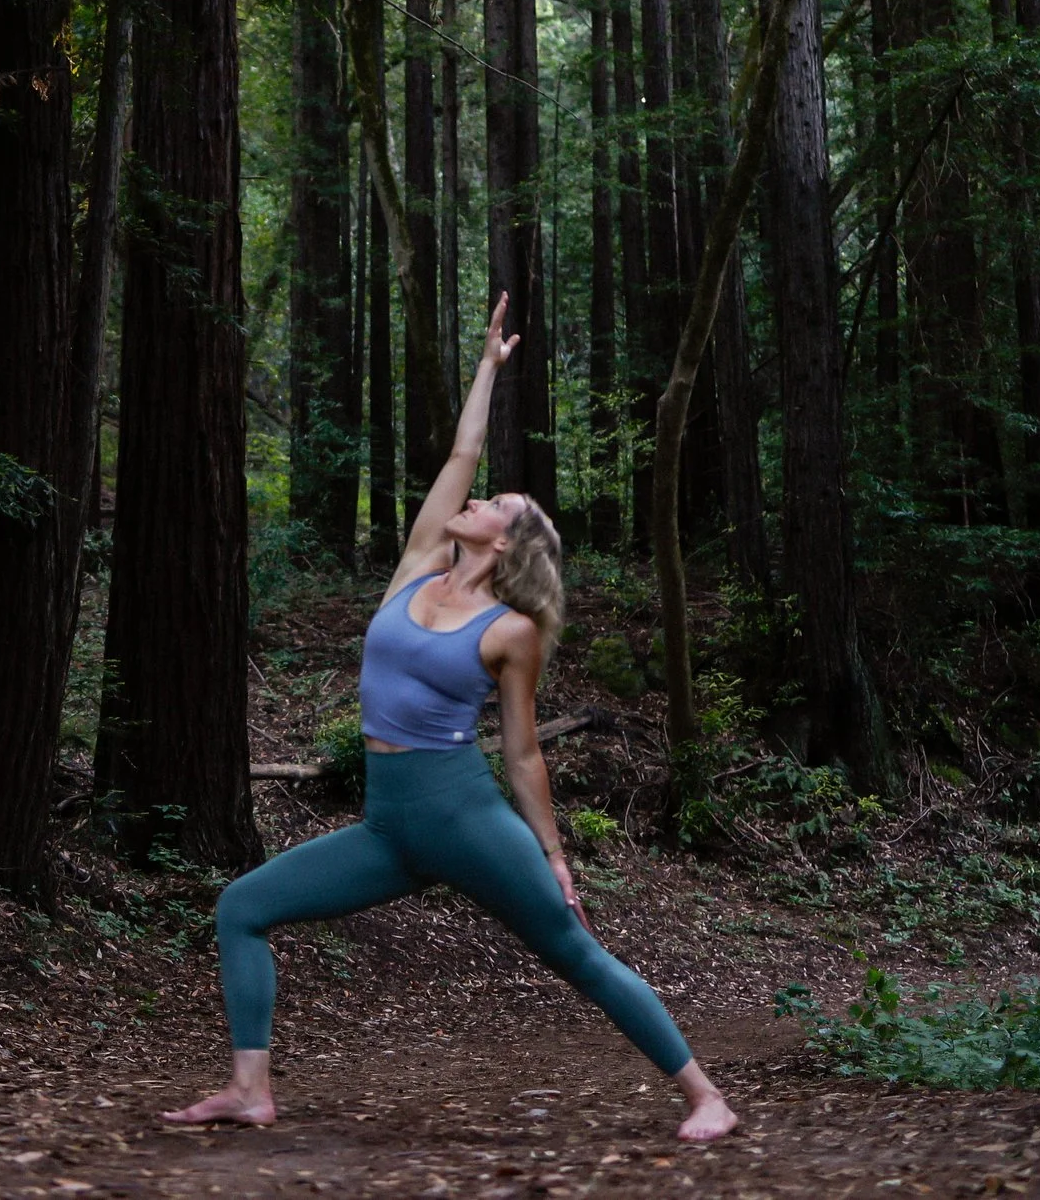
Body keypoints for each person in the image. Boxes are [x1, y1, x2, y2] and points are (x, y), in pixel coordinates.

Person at [167, 294, 737, 1142]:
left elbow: (522, 754)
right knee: (242, 906)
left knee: (575, 953)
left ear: (506, 543)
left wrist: (553, 853)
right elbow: (463, 453)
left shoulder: (510, 631)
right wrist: (486, 367)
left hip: (465, 817)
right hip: (390, 825)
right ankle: (250, 1089)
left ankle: (705, 1095)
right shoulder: (417, 568)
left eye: (494, 503)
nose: (475, 501)